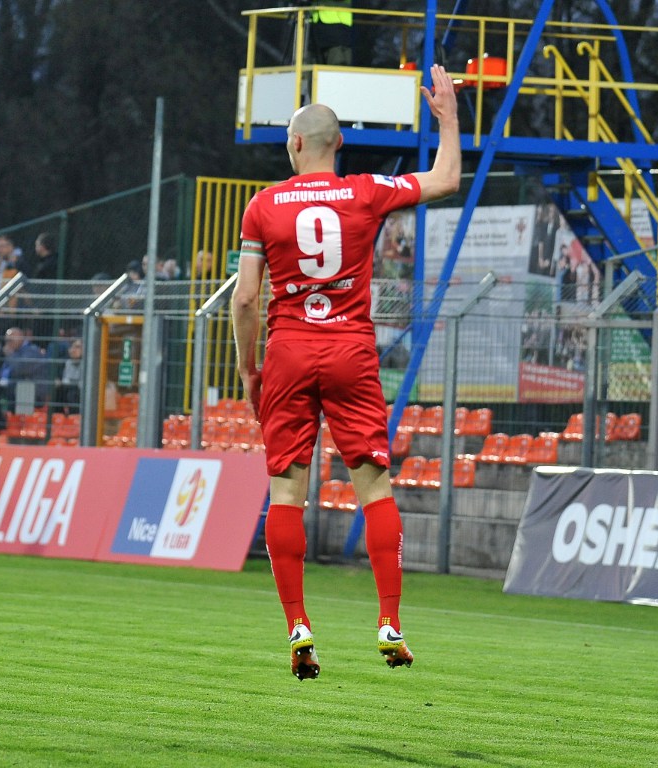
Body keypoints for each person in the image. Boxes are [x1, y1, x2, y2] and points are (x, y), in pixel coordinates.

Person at [230, 64, 461, 680]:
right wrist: (448, 119)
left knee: (287, 492)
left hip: (288, 350)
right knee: (374, 487)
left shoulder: (262, 205)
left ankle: (298, 625)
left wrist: (249, 368)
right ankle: (389, 621)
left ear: (295, 144)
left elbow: (246, 299)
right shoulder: (365, 191)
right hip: (351, 350)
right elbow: (445, 179)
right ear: (339, 145)